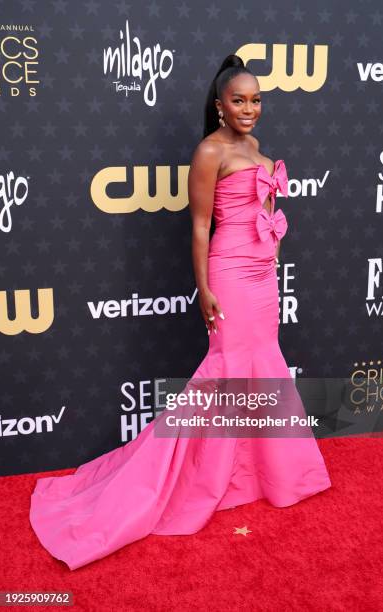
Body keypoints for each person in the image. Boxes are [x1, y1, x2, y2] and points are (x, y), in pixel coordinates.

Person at [29, 54, 332, 571]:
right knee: (225, 372)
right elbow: (198, 228)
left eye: (256, 100)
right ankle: (182, 481)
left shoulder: (256, 149)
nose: (249, 109)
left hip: (263, 278)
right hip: (229, 276)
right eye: (239, 100)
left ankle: (261, 476)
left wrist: (274, 256)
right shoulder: (209, 151)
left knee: (262, 368)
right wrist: (204, 288)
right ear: (219, 106)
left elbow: (266, 213)